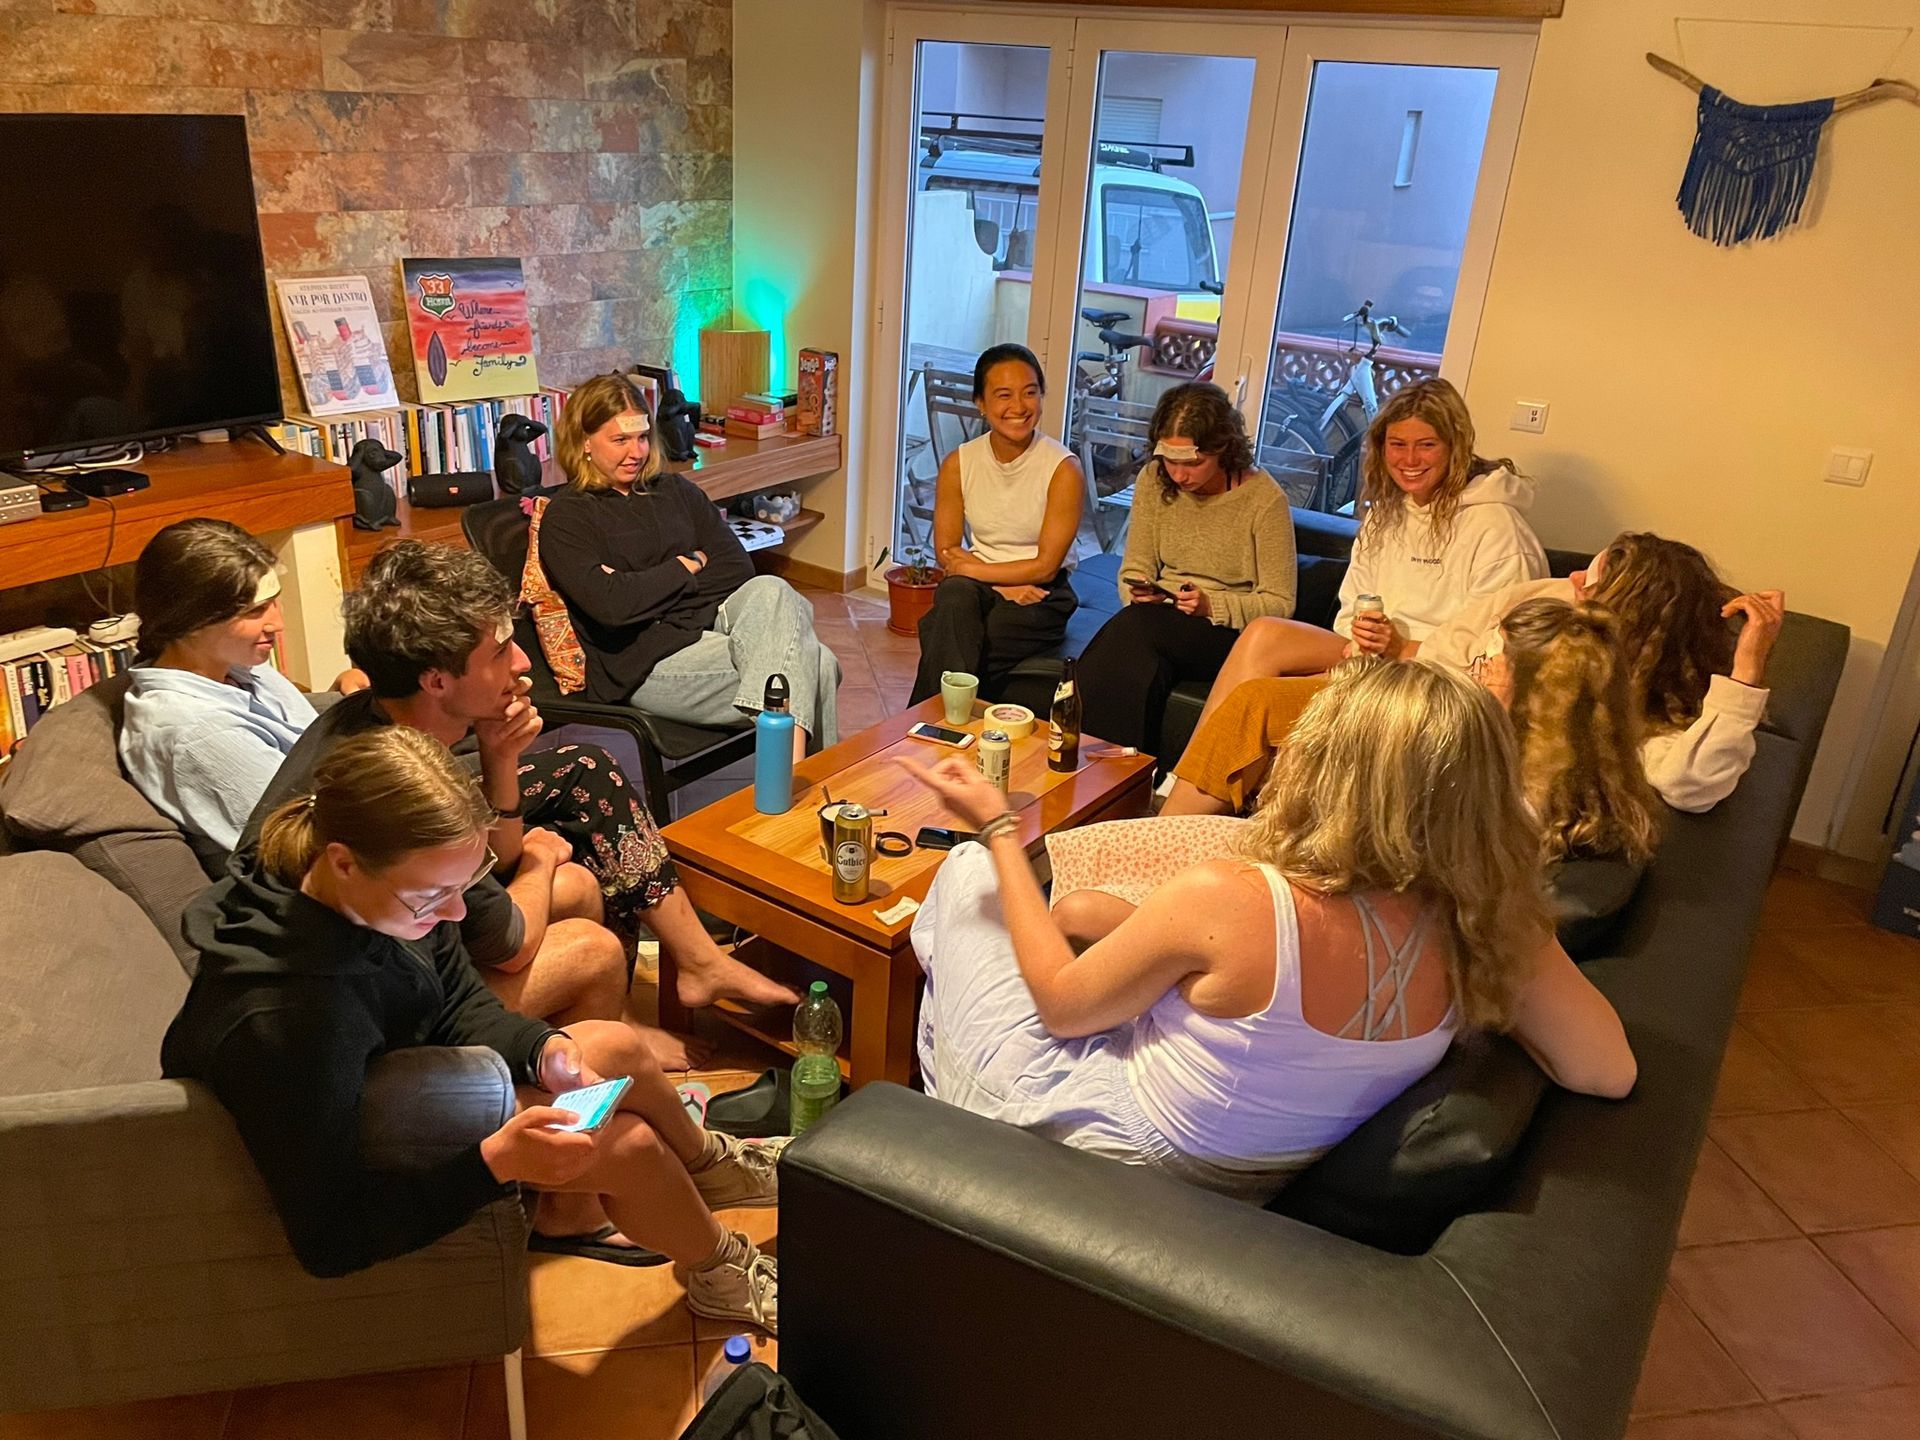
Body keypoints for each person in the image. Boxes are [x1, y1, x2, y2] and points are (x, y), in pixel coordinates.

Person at [902, 660, 1636, 1202]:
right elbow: (1608, 1070)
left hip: (1102, 1140)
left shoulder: (1236, 901)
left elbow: (1064, 1010)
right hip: (1247, 1175)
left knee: (966, 878)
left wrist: (1000, 827)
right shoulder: (1490, 922)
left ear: (1334, 770)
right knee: (1081, 912)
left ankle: (932, 1151)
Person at [164, 727, 781, 1322]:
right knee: (627, 1145)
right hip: (355, 1151)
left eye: (467, 886)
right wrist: (497, 1162)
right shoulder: (284, 1022)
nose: (455, 914)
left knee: (610, 1045)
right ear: (343, 862)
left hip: (397, 1080)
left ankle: (711, 1168)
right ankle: (721, 1271)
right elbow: (330, 1238)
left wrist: (540, 1051)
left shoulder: (377, 896)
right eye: (434, 897)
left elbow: (457, 999)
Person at [244, 541, 796, 1059]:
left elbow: (494, 872)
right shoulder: (403, 787)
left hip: (398, 948)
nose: (522, 664)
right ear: (436, 682)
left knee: (580, 863)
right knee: (590, 947)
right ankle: (582, 1089)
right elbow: (508, 942)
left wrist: (499, 757)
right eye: (501, 651)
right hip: (372, 1012)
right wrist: (540, 857)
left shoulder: (383, 717)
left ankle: (661, 991)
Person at [1170, 601, 1662, 871]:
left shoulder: (1516, 792)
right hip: (1404, 720)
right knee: (1263, 702)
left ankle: (1168, 837)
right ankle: (1169, 830)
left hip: (1357, 850)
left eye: (1499, 659)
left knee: (1273, 716)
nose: (1485, 664)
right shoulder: (1520, 744)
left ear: (1542, 692)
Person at [1186, 376, 1545, 735]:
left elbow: (1495, 659)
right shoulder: (1386, 514)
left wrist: (1404, 647)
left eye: (1426, 445)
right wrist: (1362, 637)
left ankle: (1197, 784)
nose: (1409, 459)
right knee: (1264, 633)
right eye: (1398, 444)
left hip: (1438, 679)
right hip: (1371, 658)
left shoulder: (1497, 529)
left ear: (1456, 447)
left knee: (1262, 702)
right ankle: (1180, 778)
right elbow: (1349, 609)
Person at [538, 373, 840, 760]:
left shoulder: (674, 491)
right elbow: (611, 607)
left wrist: (642, 588)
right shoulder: (568, 517)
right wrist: (686, 566)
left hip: (706, 630)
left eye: (642, 437)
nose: (636, 452)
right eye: (620, 440)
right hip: (643, 662)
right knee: (817, 665)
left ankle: (786, 777)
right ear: (583, 442)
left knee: (773, 589)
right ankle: (798, 783)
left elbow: (735, 570)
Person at [1419, 532, 1785, 813]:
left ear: (1622, 618)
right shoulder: (1546, 598)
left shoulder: (1632, 723)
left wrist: (1748, 668)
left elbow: (1691, 783)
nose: (1574, 577)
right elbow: (1437, 653)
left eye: (1590, 581)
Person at [118, 518, 367, 859]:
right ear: (190, 621)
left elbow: (304, 745)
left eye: (274, 602)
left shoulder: (236, 667)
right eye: (255, 611)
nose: (277, 624)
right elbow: (309, 840)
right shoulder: (198, 735)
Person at [1074, 381, 1297, 755]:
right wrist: (1138, 591)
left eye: (1192, 463)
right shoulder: (1154, 479)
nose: (1178, 475)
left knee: (1136, 628)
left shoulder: (1264, 500)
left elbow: (1280, 603)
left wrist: (1212, 606)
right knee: (1142, 648)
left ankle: (1088, 756)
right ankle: (1125, 771)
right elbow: (1136, 565)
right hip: (1162, 621)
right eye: (1170, 460)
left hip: (1227, 633)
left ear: (1223, 449)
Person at [908, 344, 1084, 704]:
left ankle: (927, 727)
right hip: (979, 585)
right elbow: (947, 550)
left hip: (1042, 593)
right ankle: (946, 728)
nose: (1018, 407)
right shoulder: (959, 464)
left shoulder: (1063, 469)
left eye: (1030, 393)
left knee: (945, 626)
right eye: (1003, 395)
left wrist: (989, 577)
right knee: (955, 595)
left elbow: (1046, 565)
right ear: (981, 403)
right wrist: (1001, 585)